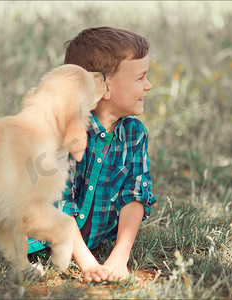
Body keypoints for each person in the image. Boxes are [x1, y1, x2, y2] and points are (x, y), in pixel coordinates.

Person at [28, 26, 156, 282]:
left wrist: (119, 257)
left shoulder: (135, 134)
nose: (149, 86)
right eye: (140, 78)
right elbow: (59, 204)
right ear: (103, 88)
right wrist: (87, 263)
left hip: (96, 235)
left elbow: (135, 194)